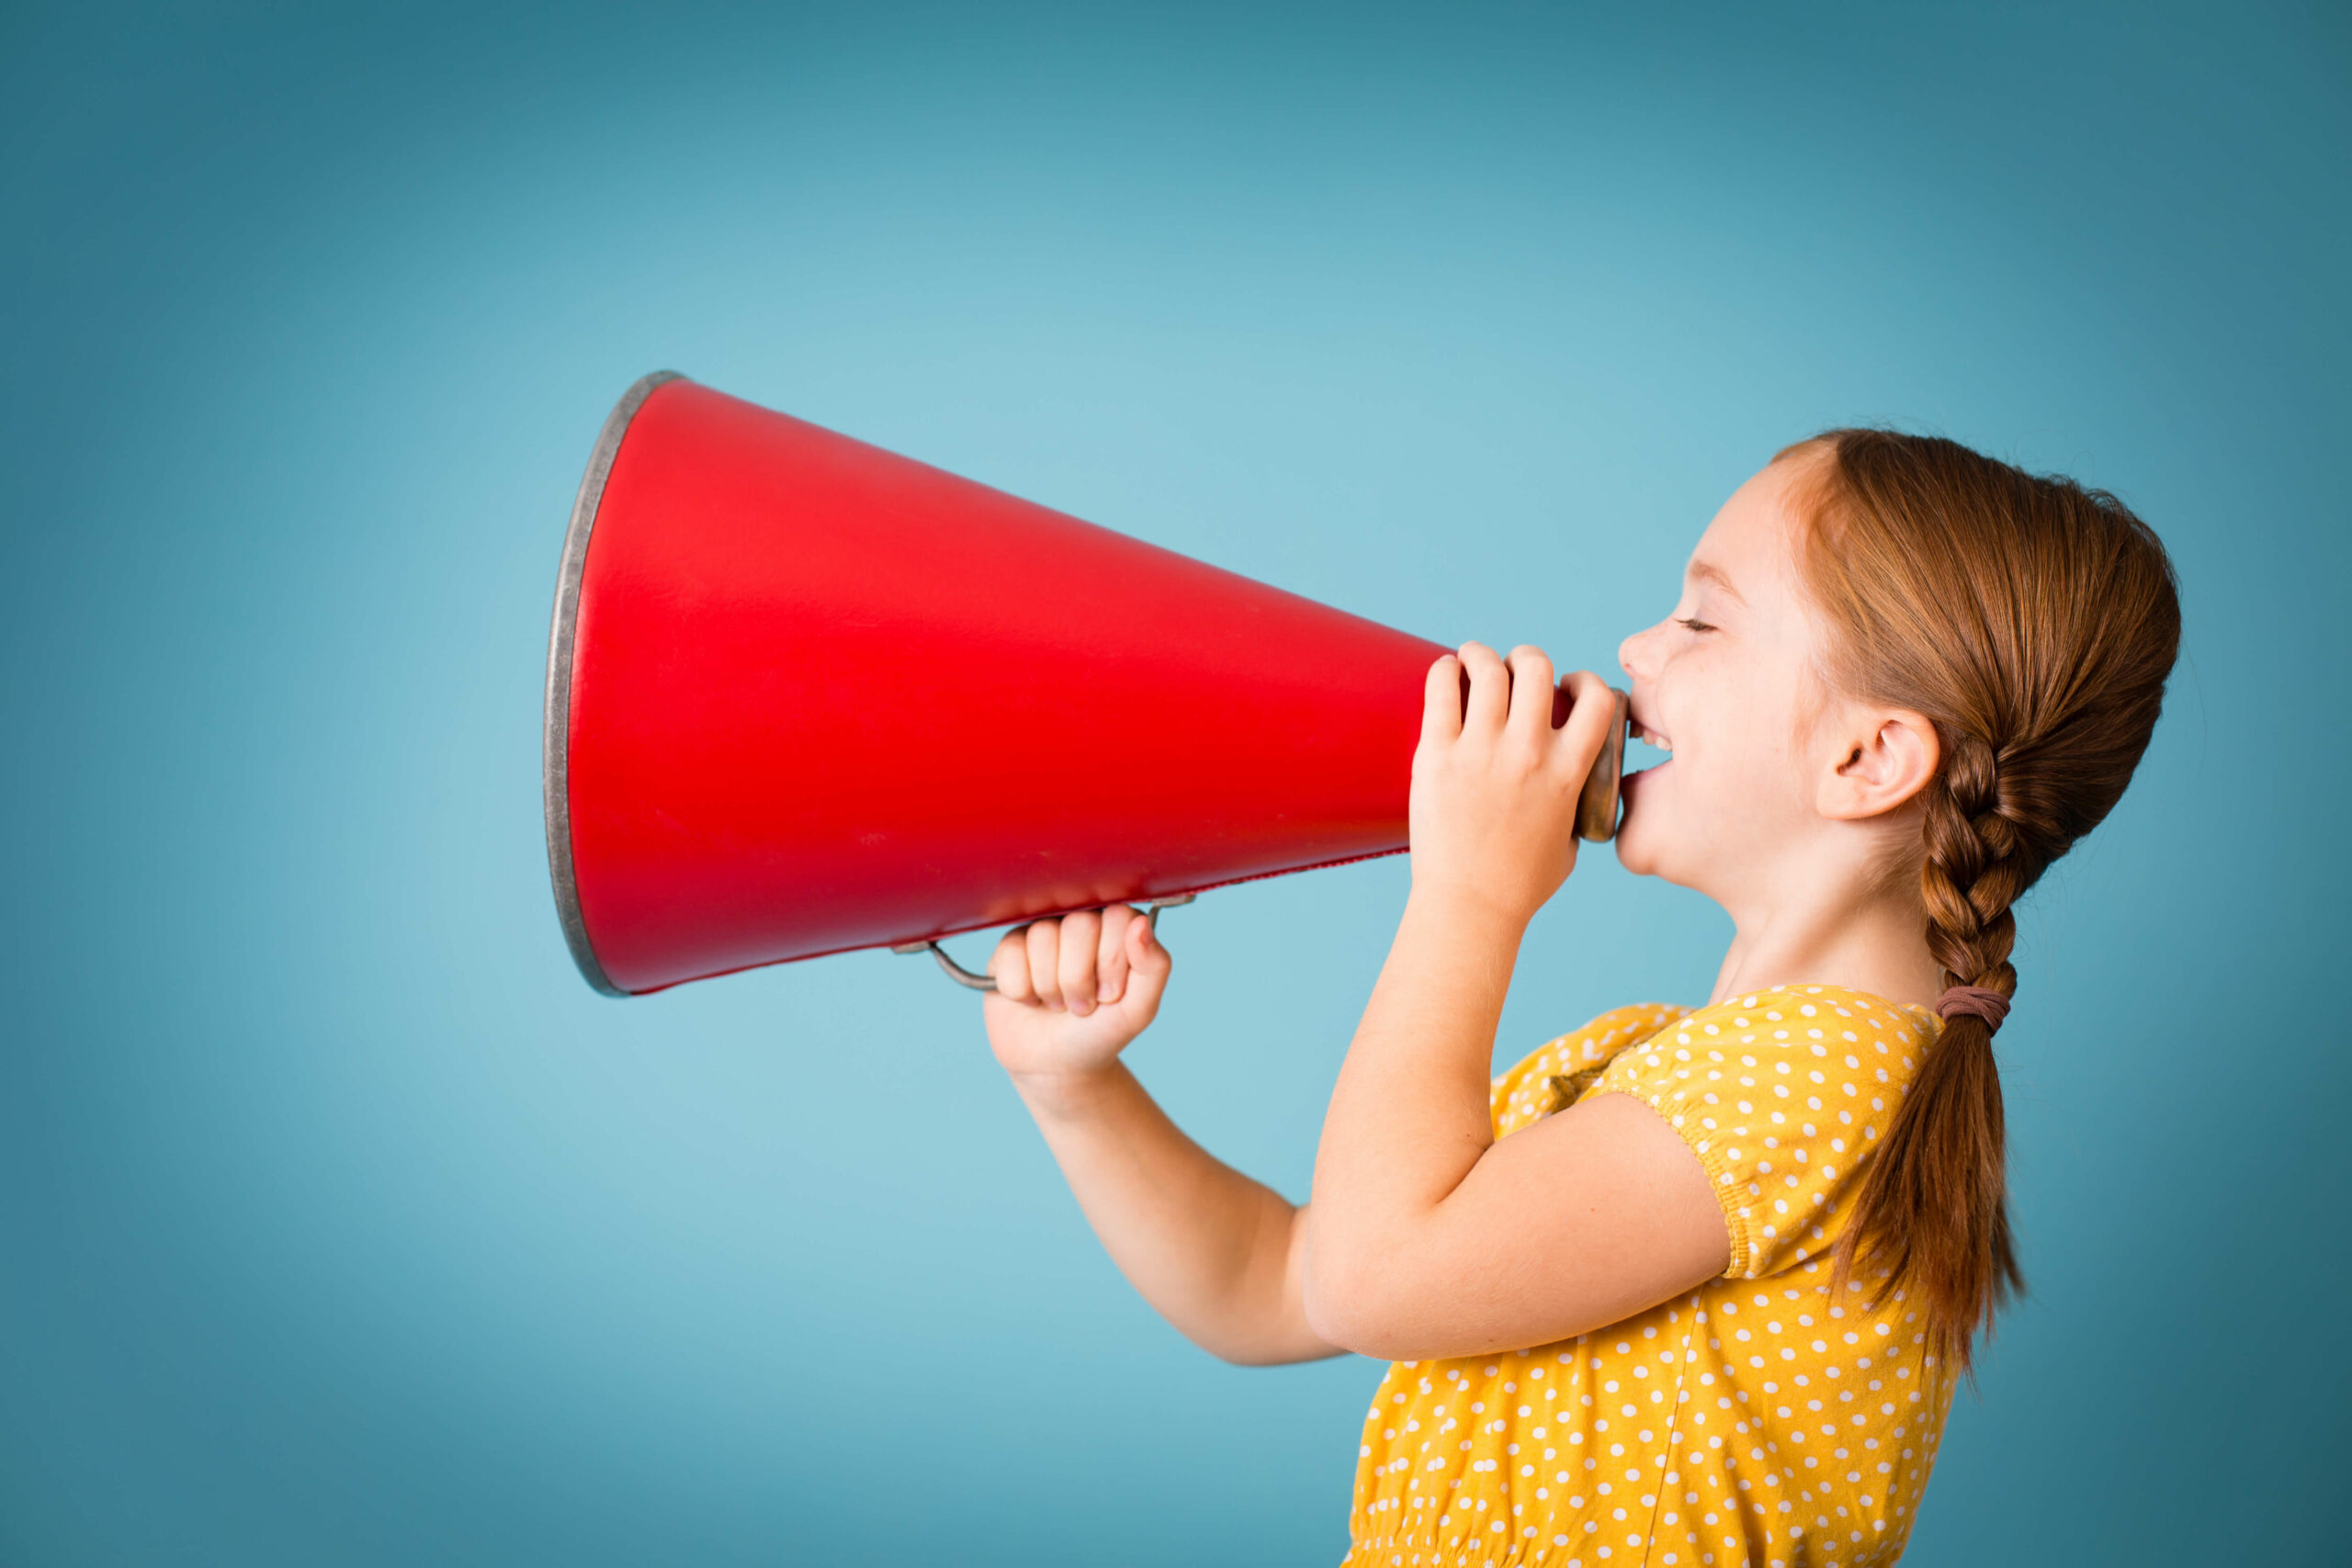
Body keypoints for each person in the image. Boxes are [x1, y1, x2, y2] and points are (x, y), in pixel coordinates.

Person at [978, 430, 2180, 1568]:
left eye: (1703, 620)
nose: (1638, 651)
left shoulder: (1821, 1083)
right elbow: (1281, 1282)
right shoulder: (1659, 1067)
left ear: (1868, 760)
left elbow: (1368, 1275)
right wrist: (1075, 1088)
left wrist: (1473, 896)